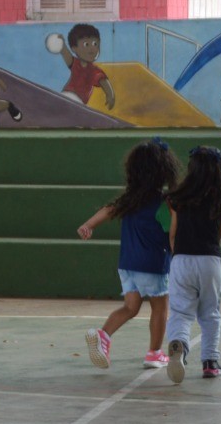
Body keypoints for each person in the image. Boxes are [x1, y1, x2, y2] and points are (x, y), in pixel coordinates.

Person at [77, 139, 181, 369]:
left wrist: (89, 225)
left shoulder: (129, 199)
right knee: (160, 308)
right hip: (153, 264)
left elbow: (109, 209)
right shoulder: (163, 203)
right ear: (164, 171)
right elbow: (172, 233)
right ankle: (154, 352)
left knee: (130, 308)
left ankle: (103, 335)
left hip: (127, 264)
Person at [164, 147, 221, 384]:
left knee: (181, 312)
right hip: (210, 261)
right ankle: (210, 363)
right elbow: (219, 234)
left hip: (181, 259)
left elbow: (172, 234)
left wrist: (179, 256)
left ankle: (180, 345)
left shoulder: (178, 199)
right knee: (210, 314)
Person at [55, 23, 115, 110]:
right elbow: (65, 53)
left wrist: (110, 95)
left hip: (79, 103)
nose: (92, 48)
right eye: (86, 44)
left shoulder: (94, 71)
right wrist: (61, 44)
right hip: (67, 96)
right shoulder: (75, 63)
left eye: (95, 44)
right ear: (74, 48)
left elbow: (104, 82)